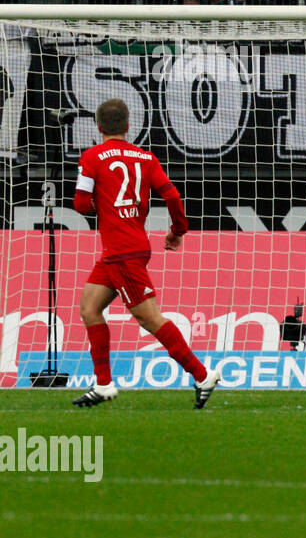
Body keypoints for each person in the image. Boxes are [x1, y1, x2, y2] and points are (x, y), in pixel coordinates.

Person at [72, 99, 218, 409]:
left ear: (98, 127)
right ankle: (103, 384)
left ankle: (202, 374)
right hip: (127, 248)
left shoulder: (92, 157)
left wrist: (105, 205)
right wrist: (177, 230)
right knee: (89, 307)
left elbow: (81, 204)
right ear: (127, 126)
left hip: (122, 252)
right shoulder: (144, 157)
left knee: (148, 318)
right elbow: (172, 194)